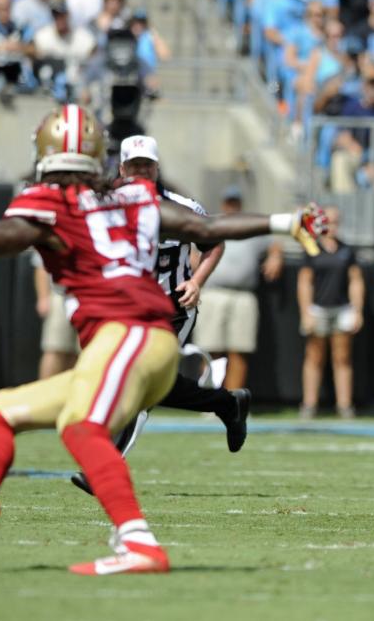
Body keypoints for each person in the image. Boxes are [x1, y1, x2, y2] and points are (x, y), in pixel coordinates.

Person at [0, 104, 326, 575]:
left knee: (84, 428)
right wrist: (284, 221)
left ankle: (139, 543)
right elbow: (202, 225)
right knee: (1, 411)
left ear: (45, 152)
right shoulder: (134, 196)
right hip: (142, 340)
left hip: (130, 334)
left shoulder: (48, 202)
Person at [69, 135, 251, 497]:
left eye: (146, 166)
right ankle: (227, 403)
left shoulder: (181, 207)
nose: (140, 172)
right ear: (121, 168)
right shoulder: (104, 205)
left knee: (137, 383)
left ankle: (102, 467)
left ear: (156, 167)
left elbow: (214, 241)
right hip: (124, 311)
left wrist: (197, 281)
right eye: (133, 166)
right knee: (145, 383)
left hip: (172, 308)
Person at [192, 186, 284, 391]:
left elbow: (274, 241)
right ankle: (210, 400)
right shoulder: (211, 223)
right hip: (213, 293)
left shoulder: (249, 226)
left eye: (235, 203)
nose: (232, 207)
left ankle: (233, 400)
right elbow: (192, 248)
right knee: (210, 350)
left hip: (243, 295)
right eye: (229, 202)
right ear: (223, 204)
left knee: (239, 350)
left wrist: (275, 256)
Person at [298, 206, 364, 420]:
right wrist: (306, 312)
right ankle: (309, 404)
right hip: (318, 309)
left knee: (342, 358)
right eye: (328, 222)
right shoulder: (312, 249)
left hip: (342, 309)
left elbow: (355, 281)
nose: (331, 226)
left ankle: (344, 405)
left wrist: (357, 310)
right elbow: (305, 283)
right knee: (314, 357)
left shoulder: (347, 251)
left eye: (335, 222)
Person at [33, 253, 79, 379]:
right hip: (61, 295)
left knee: (80, 354)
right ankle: (43, 395)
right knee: (55, 348)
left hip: (90, 296)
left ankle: (69, 396)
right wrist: (43, 297)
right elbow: (41, 265)